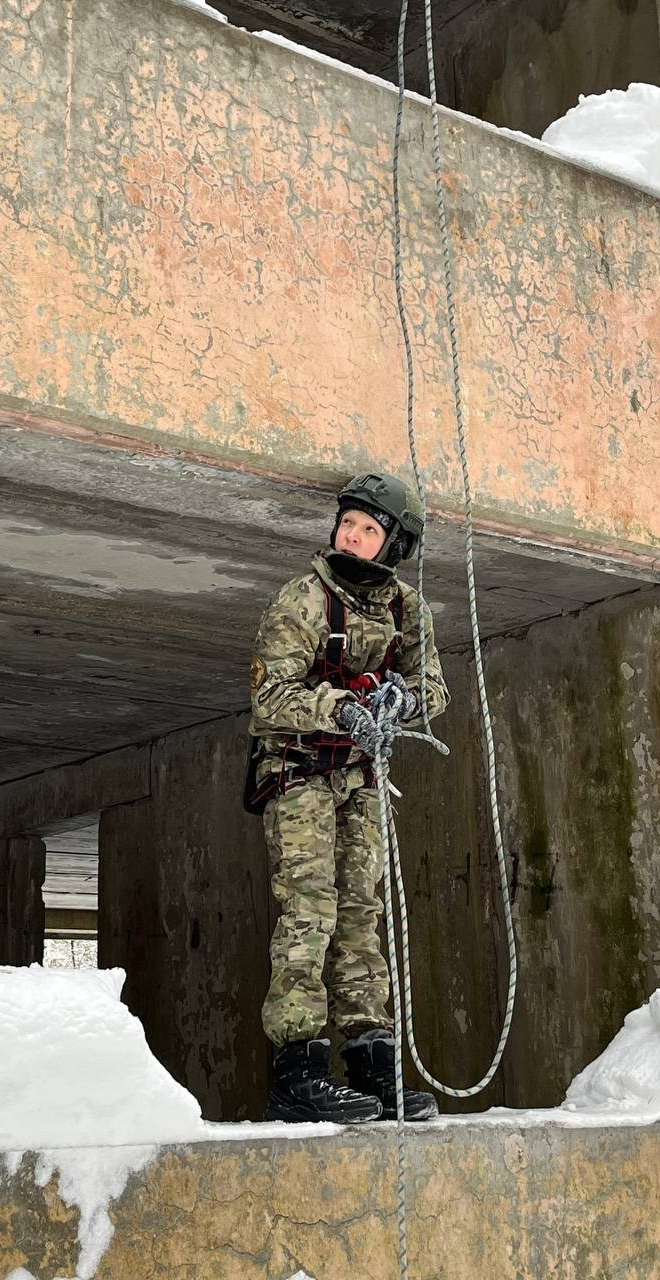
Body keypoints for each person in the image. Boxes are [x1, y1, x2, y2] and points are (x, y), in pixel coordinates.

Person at [246, 473, 450, 1122]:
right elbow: (269, 698)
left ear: (393, 545)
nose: (352, 538)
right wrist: (342, 709)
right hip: (300, 772)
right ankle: (298, 1070)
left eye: (368, 530)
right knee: (311, 914)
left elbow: (435, 691)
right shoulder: (303, 600)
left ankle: (373, 1066)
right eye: (347, 525)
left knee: (363, 917)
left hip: (361, 780)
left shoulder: (406, 609)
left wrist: (403, 701)